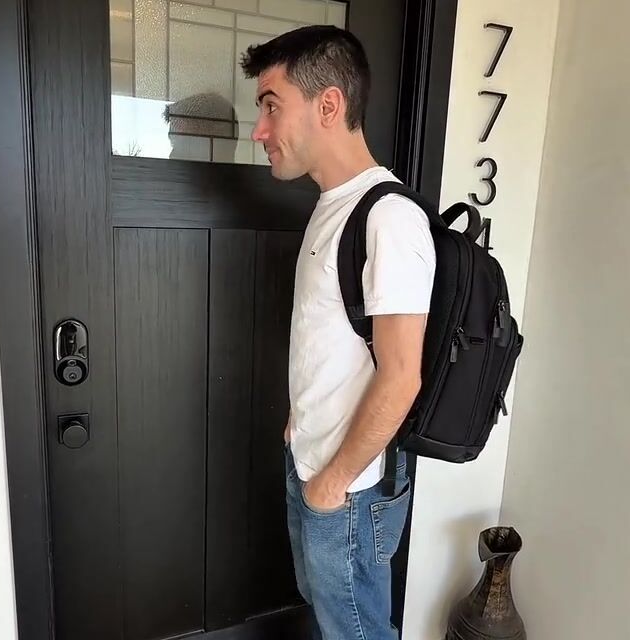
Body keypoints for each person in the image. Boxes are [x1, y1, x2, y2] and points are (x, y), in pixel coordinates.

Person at [241, 25, 435, 640]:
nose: (260, 130)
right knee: (331, 619)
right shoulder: (334, 205)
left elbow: (401, 377)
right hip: (314, 463)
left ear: (328, 104)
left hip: (349, 488)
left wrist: (333, 482)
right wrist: (300, 428)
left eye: (272, 106)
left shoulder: (389, 218)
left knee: (356, 632)